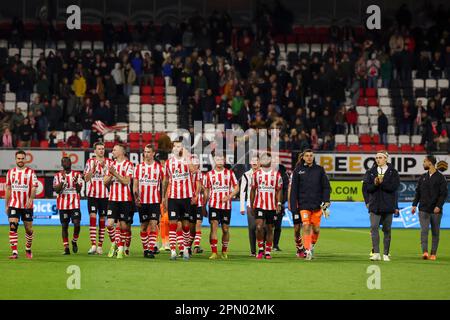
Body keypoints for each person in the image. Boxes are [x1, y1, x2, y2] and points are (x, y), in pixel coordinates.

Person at [289, 149, 331, 261]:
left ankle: (311, 245)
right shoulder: (298, 171)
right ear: (303, 157)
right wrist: (293, 206)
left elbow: (326, 187)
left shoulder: (320, 170)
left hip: (317, 205)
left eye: (311, 155)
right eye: (307, 156)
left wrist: (326, 200)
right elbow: (294, 190)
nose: (309, 157)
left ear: (313, 157)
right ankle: (307, 250)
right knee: (306, 226)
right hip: (303, 205)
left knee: (316, 229)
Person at [362, 151, 400, 262]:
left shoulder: (393, 172)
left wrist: (381, 183)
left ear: (386, 159)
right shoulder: (370, 172)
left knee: (387, 230)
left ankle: (386, 254)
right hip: (375, 205)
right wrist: (375, 184)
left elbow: (394, 188)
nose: (378, 159)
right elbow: (367, 188)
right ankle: (376, 253)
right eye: (376, 157)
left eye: (380, 157)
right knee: (374, 227)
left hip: (388, 205)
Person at [162, 140, 194, 260]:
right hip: (173, 197)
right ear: (172, 149)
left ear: (182, 148)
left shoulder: (188, 160)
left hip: (186, 197)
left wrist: (186, 156)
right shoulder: (168, 163)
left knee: (186, 226)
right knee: (173, 224)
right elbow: (165, 180)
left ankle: (186, 249)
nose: (176, 148)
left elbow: (193, 170)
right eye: (175, 146)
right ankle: (173, 251)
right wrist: (164, 197)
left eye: (179, 146)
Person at [412, 155, 448, 260]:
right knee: (424, 231)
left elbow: (443, 194)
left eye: (424, 161)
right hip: (423, 209)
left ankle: (433, 253)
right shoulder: (422, 177)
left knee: (435, 232)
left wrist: (438, 206)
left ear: (430, 163)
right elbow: (417, 193)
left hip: (436, 210)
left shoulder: (441, 178)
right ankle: (425, 252)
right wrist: (414, 205)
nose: (423, 163)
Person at [204, 153, 239, 259]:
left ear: (224, 160)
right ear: (214, 160)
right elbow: (206, 189)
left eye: (221, 158)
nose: (219, 160)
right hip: (213, 205)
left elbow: (236, 187)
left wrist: (229, 196)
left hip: (226, 206)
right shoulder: (209, 175)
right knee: (213, 226)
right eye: (217, 158)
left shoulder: (230, 174)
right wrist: (204, 204)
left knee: (225, 229)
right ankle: (214, 252)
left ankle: (224, 251)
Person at [133, 145, 165, 259]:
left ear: (153, 153)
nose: (146, 154)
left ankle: (151, 249)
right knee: (143, 226)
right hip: (142, 201)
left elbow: (163, 183)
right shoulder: (138, 167)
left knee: (153, 224)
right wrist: (136, 196)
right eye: (145, 152)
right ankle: (145, 249)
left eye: (148, 152)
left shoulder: (159, 168)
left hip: (154, 201)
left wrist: (163, 198)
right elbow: (135, 184)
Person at [250, 152, 283, 260]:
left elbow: (279, 190)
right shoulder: (256, 174)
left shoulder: (276, 174)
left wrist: (278, 203)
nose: (265, 160)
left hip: (271, 206)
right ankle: (260, 249)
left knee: (269, 228)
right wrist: (251, 204)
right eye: (263, 158)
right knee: (259, 227)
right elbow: (253, 190)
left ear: (270, 160)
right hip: (259, 205)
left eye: (267, 158)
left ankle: (267, 251)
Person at [5, 150, 37, 259]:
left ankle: (28, 249)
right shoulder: (10, 172)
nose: (20, 160)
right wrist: (6, 205)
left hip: (27, 205)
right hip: (14, 204)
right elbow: (8, 189)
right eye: (18, 158)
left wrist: (31, 198)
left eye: (22, 158)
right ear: (15, 159)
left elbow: (34, 187)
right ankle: (15, 252)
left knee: (28, 229)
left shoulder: (31, 172)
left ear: (25, 159)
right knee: (13, 226)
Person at [104, 144, 134, 259]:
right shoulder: (111, 164)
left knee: (123, 225)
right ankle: (114, 243)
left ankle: (120, 249)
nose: (112, 151)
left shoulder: (129, 165)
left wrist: (115, 173)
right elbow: (105, 181)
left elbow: (126, 181)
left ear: (121, 151)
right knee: (110, 224)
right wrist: (111, 175)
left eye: (114, 150)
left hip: (125, 199)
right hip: (112, 198)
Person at [84, 142, 114, 255]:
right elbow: (86, 178)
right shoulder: (90, 162)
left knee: (102, 219)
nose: (101, 150)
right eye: (99, 149)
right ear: (94, 151)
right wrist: (93, 170)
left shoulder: (110, 163)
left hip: (105, 195)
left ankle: (100, 245)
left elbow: (112, 178)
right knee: (92, 216)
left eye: (103, 149)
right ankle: (93, 245)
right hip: (92, 195)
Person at [53, 157, 83, 255]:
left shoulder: (77, 174)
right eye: (63, 162)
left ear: (71, 162)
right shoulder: (57, 175)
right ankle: (66, 247)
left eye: (67, 161)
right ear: (62, 164)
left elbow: (79, 190)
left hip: (74, 204)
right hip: (63, 205)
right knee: (64, 226)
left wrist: (75, 182)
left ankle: (74, 241)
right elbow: (56, 190)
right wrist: (62, 181)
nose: (65, 163)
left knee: (77, 224)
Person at [239, 155, 260, 256]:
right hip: (250, 204)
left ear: (260, 162)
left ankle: (262, 248)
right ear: (250, 163)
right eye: (253, 160)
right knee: (252, 227)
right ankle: (253, 250)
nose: (254, 162)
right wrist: (242, 207)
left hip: (263, 204)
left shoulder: (264, 174)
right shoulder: (246, 175)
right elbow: (242, 191)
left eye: (256, 160)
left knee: (262, 227)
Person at [190, 155, 206, 254]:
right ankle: (188, 247)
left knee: (198, 224)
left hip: (199, 203)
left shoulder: (202, 176)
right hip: (189, 203)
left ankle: (196, 245)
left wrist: (205, 204)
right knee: (191, 228)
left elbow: (205, 190)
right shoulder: (186, 175)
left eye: (196, 164)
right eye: (193, 164)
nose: (195, 166)